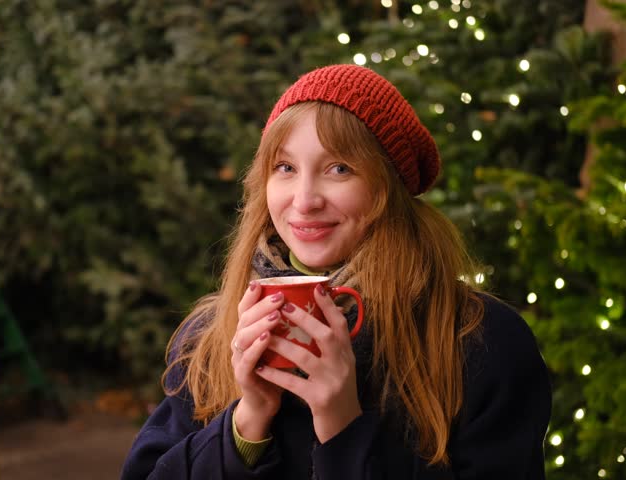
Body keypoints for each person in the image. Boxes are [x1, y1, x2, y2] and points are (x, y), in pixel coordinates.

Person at [121, 64, 551, 479]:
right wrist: (245, 427)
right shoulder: (208, 336)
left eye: (339, 169)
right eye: (285, 168)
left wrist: (344, 427)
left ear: (389, 187)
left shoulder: (480, 340)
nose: (304, 200)